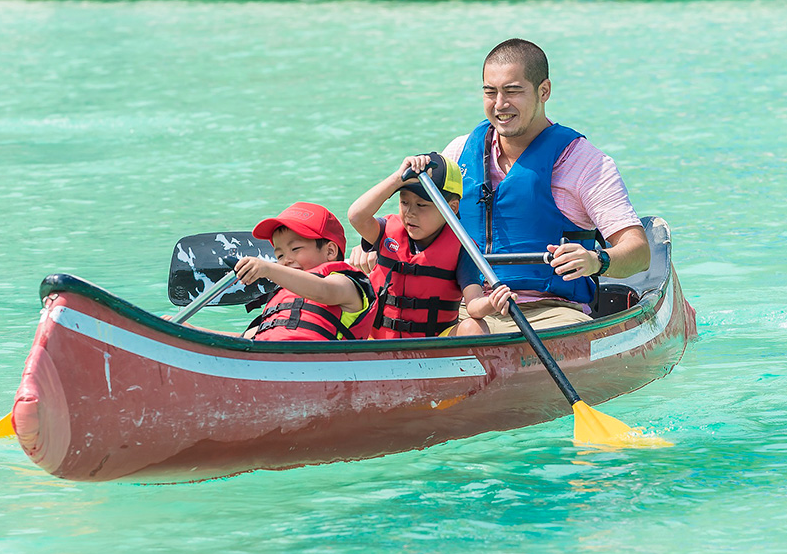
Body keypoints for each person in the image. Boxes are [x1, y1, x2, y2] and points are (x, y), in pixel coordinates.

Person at [349, 38, 650, 335]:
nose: (500, 104)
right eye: (490, 92)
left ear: (544, 91)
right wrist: (370, 247)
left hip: (548, 313)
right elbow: (417, 223)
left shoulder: (585, 164)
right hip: (462, 307)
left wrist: (597, 260)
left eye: (513, 91)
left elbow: (638, 253)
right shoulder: (458, 152)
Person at [347, 151, 511, 338]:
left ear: (452, 208)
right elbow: (356, 216)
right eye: (404, 202)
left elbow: (473, 305)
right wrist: (397, 179)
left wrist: (491, 302)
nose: (410, 212)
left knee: (475, 327)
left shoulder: (462, 248)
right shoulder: (385, 230)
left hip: (433, 343)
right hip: (377, 339)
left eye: (421, 205)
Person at [235, 202, 376, 341]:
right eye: (280, 256)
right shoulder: (283, 306)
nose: (286, 260)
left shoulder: (345, 284)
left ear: (330, 251)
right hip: (268, 351)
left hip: (316, 354)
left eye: (295, 249)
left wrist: (268, 269)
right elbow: (242, 340)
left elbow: (323, 290)